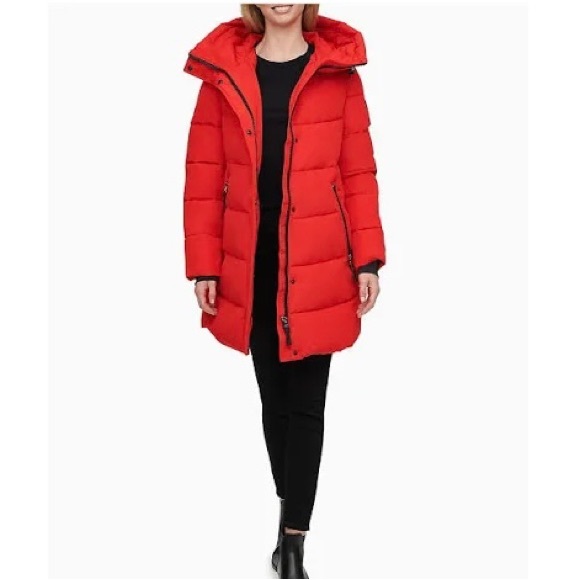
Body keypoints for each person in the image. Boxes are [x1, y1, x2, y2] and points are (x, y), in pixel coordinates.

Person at [182, 4, 386, 578]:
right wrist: (204, 267)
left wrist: (368, 258)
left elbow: (358, 172)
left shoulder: (338, 74)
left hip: (319, 260)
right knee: (273, 401)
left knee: (307, 404)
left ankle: (294, 541)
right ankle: (288, 507)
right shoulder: (222, 74)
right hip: (250, 261)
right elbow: (203, 174)